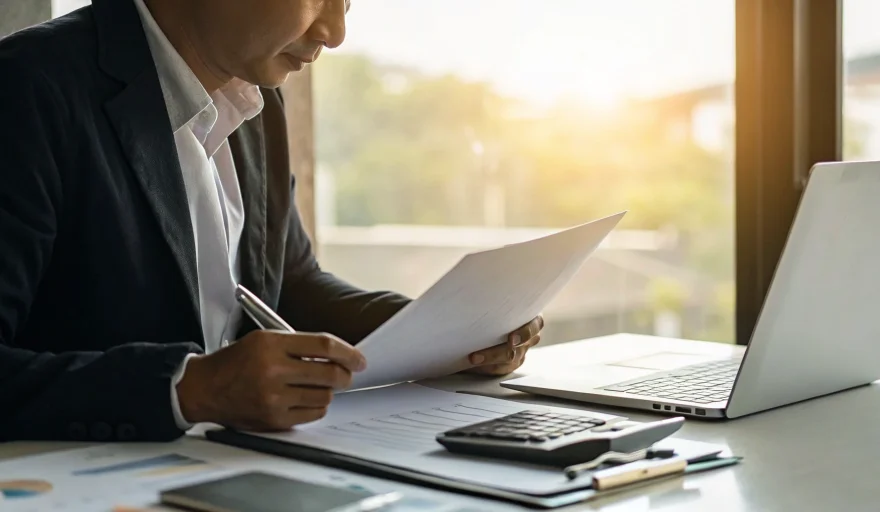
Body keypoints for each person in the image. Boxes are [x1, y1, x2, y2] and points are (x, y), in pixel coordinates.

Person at [0, 0, 543, 442]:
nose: (334, 32)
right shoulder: (26, 89)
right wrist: (188, 389)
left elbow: (290, 286)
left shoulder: (255, 99)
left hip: (228, 463)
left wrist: (442, 333)